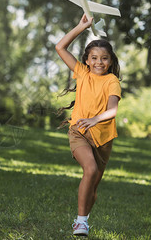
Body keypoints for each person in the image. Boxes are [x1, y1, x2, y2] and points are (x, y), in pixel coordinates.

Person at [55, 14, 121, 236]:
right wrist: (81, 27)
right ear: (86, 60)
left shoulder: (112, 81)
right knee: (90, 170)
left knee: (93, 189)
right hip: (79, 132)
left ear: (110, 61)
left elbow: (112, 110)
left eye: (103, 58)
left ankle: (83, 216)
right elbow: (60, 47)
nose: (98, 62)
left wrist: (95, 119)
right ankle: (81, 222)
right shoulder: (82, 74)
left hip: (103, 138)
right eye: (94, 58)